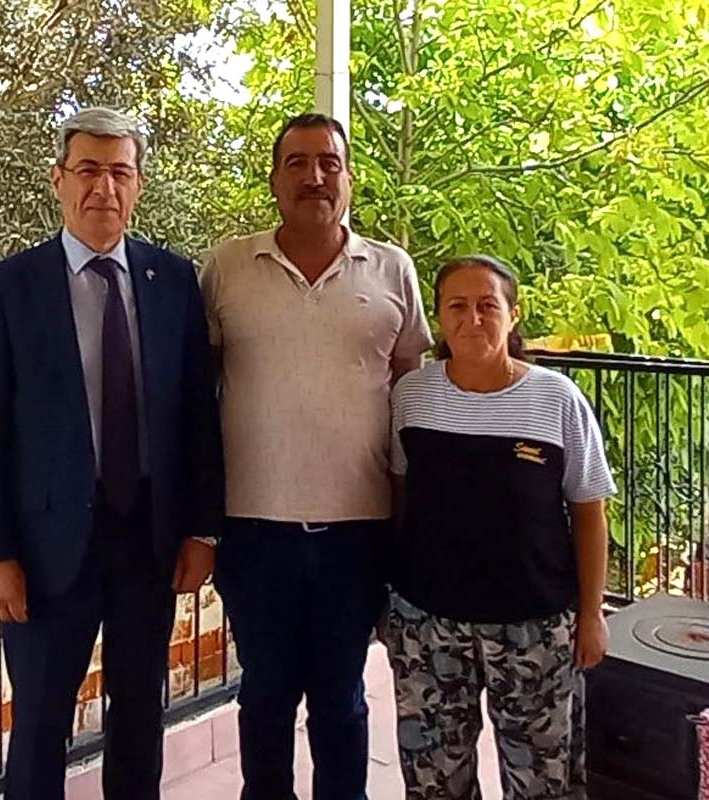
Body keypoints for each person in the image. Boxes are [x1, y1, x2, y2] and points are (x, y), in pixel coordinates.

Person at [0, 107, 223, 800]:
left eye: (119, 172)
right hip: (46, 549)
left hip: (148, 540)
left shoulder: (173, 281)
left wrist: (201, 531)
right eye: (88, 170)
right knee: (41, 723)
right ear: (59, 180)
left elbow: (198, 414)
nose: (103, 187)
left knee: (140, 716)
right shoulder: (8, 289)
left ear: (138, 185)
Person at [201, 112, 434, 799]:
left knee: (340, 698)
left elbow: (412, 392)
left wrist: (412, 522)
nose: (315, 176)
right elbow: (196, 392)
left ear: (349, 179)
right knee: (265, 696)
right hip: (253, 530)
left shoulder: (392, 268)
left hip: (358, 532)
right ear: (275, 180)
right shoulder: (227, 267)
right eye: (298, 163)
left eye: (330, 163)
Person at [384, 255, 615, 800]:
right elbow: (399, 494)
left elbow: (589, 511)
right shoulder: (412, 396)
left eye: (488, 305)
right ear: (439, 318)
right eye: (457, 306)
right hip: (428, 625)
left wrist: (591, 614)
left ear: (514, 314)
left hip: (534, 627)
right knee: (434, 780)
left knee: (543, 783)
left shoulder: (556, 399)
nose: (473, 319)